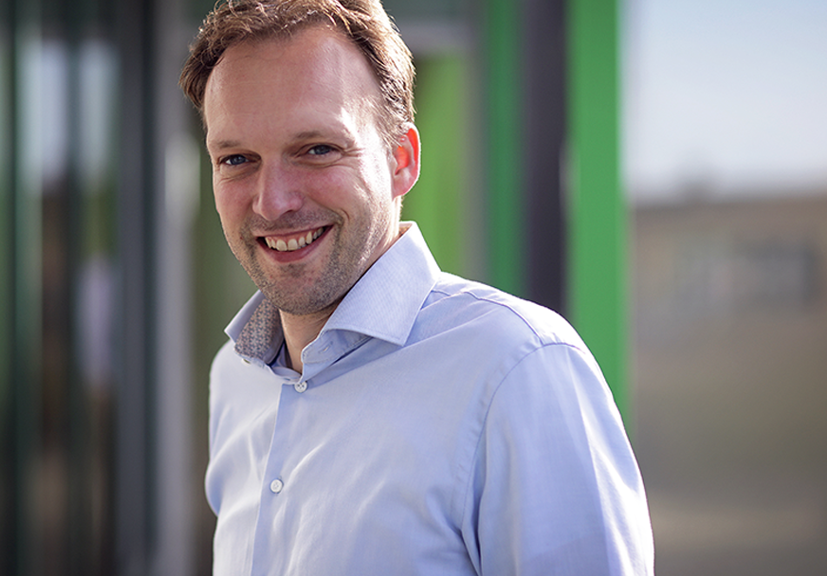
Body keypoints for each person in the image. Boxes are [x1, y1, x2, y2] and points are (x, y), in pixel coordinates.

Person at [179, 1, 655, 574]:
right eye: (236, 159)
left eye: (317, 149)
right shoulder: (236, 379)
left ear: (401, 160)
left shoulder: (517, 369)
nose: (273, 201)